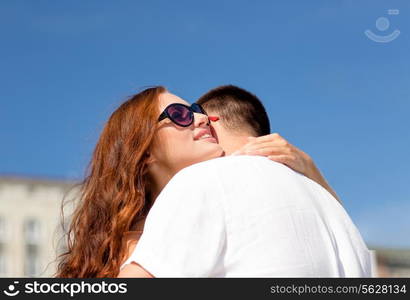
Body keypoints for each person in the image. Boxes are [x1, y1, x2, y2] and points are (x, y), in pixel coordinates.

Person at [56, 86, 347, 277]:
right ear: (143, 152)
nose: (201, 119)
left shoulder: (209, 191)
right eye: (180, 115)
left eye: (197, 111)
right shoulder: (197, 186)